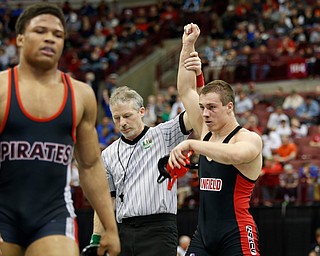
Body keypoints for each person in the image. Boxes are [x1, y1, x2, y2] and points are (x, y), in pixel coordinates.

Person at [0, 3, 120, 256]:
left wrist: (109, 227)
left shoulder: (81, 95)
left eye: (57, 35)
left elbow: (89, 165)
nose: (49, 39)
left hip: (52, 216)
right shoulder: (1, 89)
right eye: (41, 31)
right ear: (20, 38)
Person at [90, 58, 204, 255]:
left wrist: (197, 76)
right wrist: (95, 240)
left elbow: (195, 112)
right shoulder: (108, 154)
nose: (122, 122)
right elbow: (105, 200)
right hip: (124, 230)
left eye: (127, 115)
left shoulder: (163, 134)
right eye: (117, 118)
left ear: (141, 111)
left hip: (159, 228)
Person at [169, 23, 262, 255]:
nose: (205, 113)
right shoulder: (205, 131)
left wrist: (191, 143)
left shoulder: (248, 139)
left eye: (211, 107)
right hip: (204, 235)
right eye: (202, 108)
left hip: (237, 232)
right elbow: (185, 89)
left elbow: (234, 155)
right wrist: (187, 45)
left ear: (229, 107)